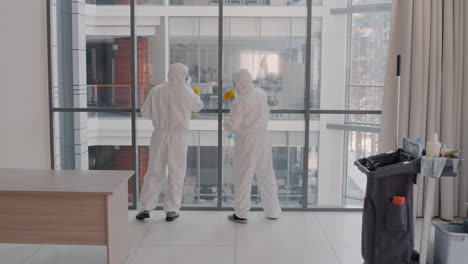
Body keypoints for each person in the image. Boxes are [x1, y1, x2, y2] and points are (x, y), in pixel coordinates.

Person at [136, 63, 204, 222]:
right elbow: (198, 107)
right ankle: (171, 210)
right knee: (176, 173)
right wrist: (190, 89)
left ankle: (145, 207)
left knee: (153, 171)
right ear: (184, 76)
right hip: (178, 136)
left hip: (159, 134)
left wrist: (159, 116)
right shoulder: (187, 92)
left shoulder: (157, 90)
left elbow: (145, 112)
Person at [224, 70, 281, 224]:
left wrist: (226, 121)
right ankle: (273, 211)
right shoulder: (261, 93)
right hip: (263, 137)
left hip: (246, 141)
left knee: (244, 177)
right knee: (266, 174)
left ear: (237, 83)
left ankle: (241, 214)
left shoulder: (239, 102)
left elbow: (233, 125)